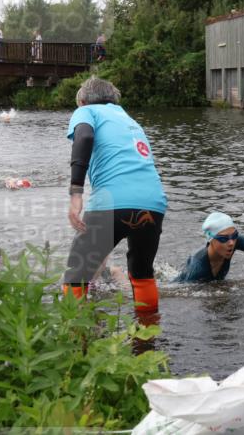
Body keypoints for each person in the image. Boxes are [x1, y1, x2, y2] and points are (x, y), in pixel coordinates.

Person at [63, 77, 167, 314]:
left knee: (76, 274)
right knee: (142, 274)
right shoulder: (129, 120)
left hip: (112, 203)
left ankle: (75, 339)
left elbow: (85, 137)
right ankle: (147, 338)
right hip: (153, 204)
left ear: (81, 101)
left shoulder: (86, 111)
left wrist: (76, 192)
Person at [174, 208, 244, 283]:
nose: (231, 242)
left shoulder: (233, 242)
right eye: (223, 238)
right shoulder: (198, 268)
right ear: (211, 239)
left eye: (234, 235)